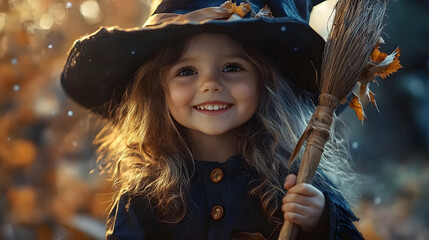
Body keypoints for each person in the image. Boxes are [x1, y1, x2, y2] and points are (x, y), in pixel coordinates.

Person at [61, 0, 364, 239]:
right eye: (186, 71)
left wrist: (321, 221)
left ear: (265, 81)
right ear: (157, 91)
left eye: (232, 67)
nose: (210, 84)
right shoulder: (146, 194)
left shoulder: (296, 180)